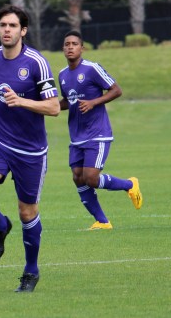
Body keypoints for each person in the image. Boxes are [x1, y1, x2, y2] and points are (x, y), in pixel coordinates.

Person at [0, 5, 60, 292]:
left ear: (23, 30)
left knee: (27, 212)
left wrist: (22, 101)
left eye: (12, 25)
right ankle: (0, 225)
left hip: (30, 150)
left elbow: (54, 107)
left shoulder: (36, 63)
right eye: (3, 25)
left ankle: (31, 271)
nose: (7, 30)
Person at [58, 30, 143, 230]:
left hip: (97, 133)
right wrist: (46, 107)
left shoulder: (92, 68)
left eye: (74, 44)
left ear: (82, 48)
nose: (70, 47)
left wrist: (93, 102)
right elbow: (67, 101)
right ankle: (102, 222)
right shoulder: (62, 75)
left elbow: (116, 90)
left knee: (91, 178)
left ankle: (129, 185)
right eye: (67, 44)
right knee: (78, 177)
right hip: (76, 136)